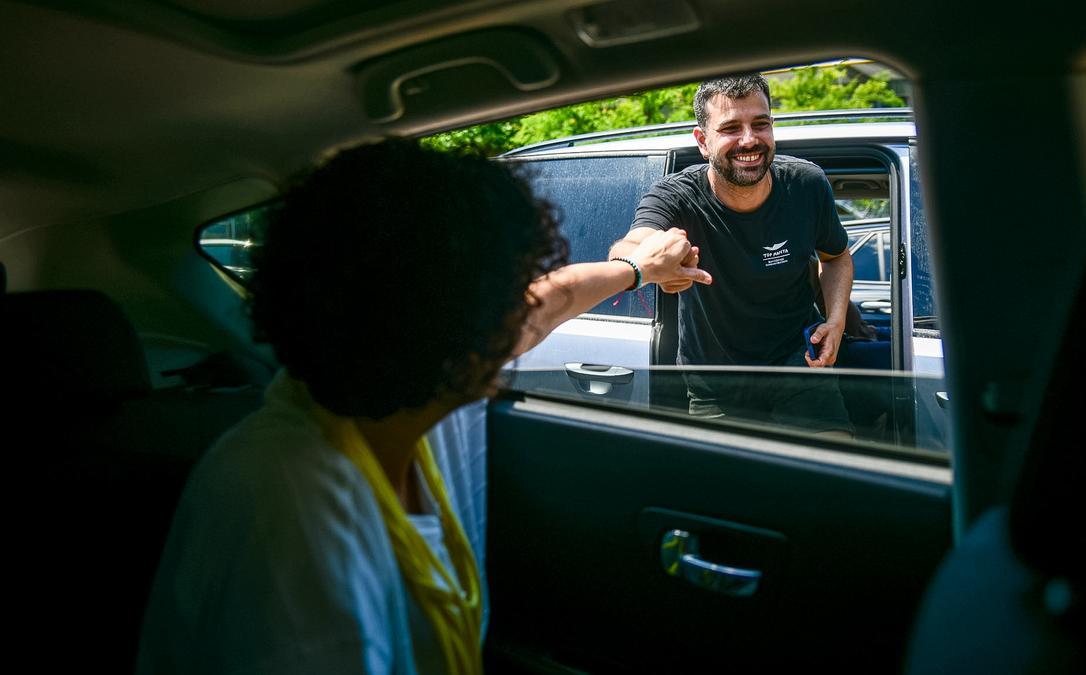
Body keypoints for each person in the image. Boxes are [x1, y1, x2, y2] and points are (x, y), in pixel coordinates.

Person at [136, 139, 710, 675]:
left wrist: (640, 269)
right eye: (496, 295)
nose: (517, 314)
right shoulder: (293, 518)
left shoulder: (410, 384)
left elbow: (552, 299)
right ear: (432, 318)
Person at [608, 74, 854, 434]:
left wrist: (836, 321)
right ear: (703, 142)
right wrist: (644, 266)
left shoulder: (807, 185)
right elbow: (630, 246)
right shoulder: (676, 196)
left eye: (760, 124)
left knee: (832, 479)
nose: (749, 140)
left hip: (801, 365)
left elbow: (837, 258)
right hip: (715, 384)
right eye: (730, 128)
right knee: (729, 487)